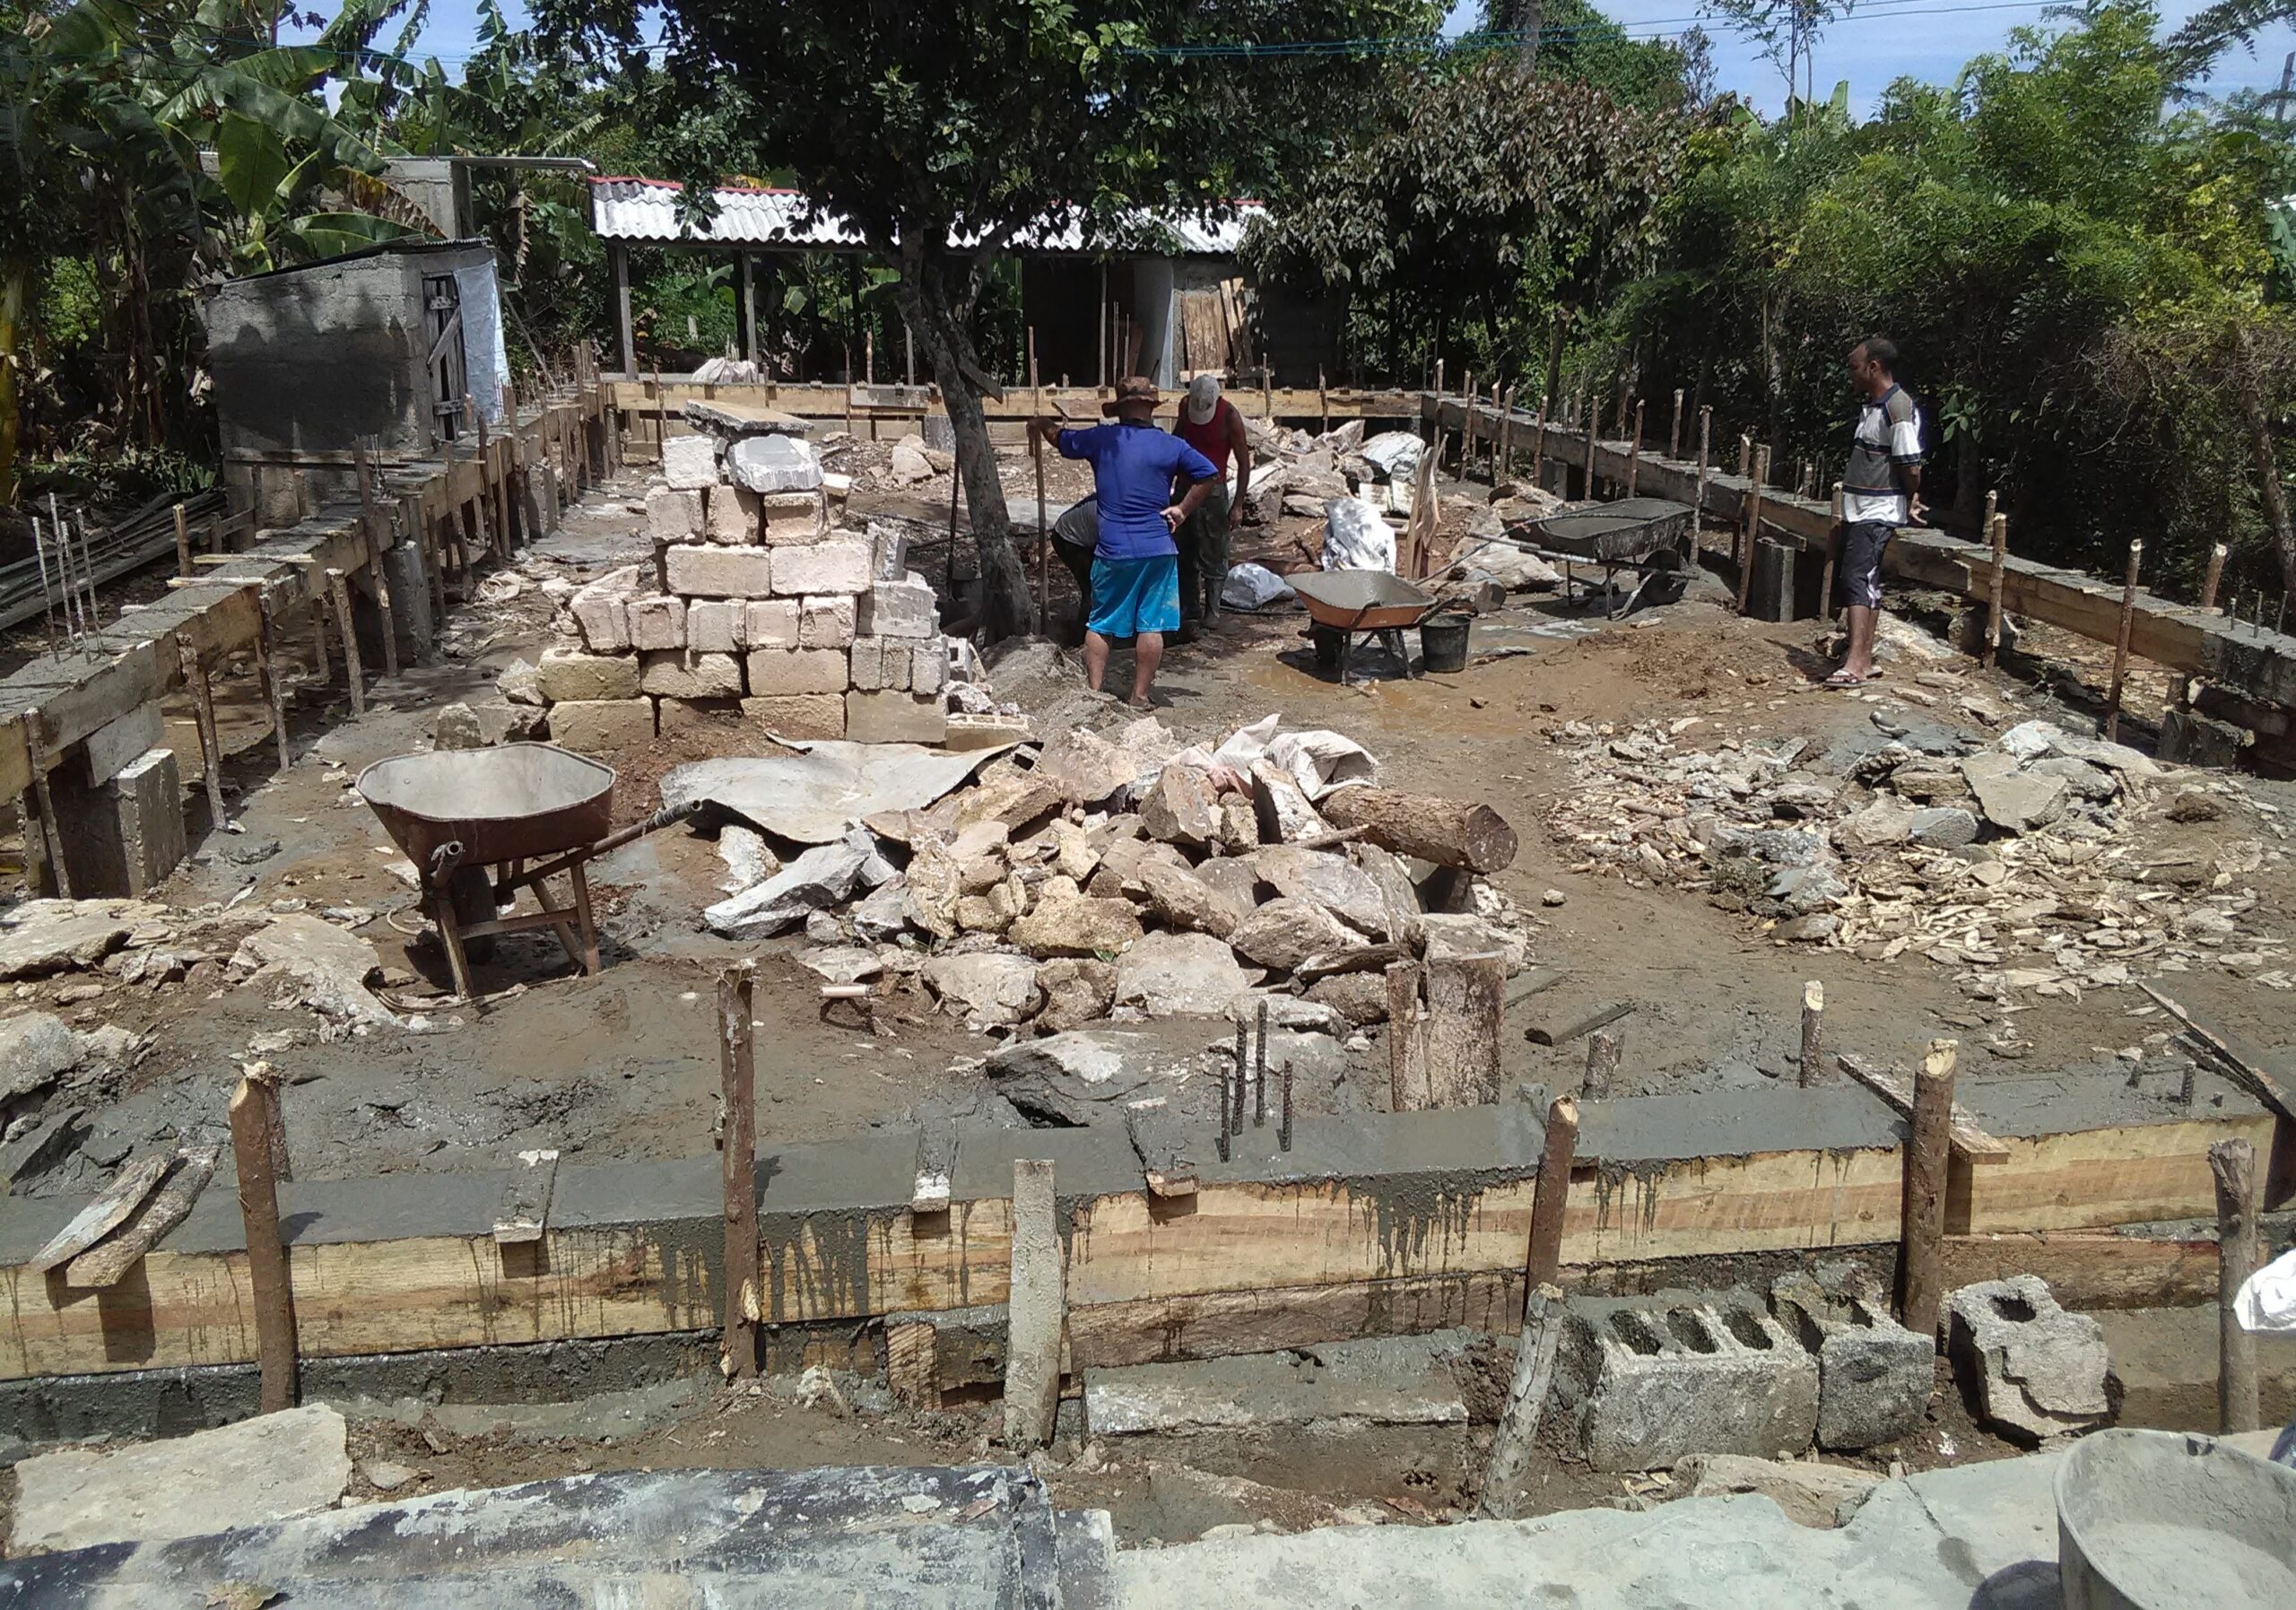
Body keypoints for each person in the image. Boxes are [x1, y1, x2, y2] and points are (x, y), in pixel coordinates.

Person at [1030, 377, 1217, 707]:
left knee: (1101, 624)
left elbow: (1061, 440)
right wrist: (1183, 510)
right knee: (1152, 626)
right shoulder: (1171, 445)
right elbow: (1209, 474)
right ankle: (1139, 696)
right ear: (1150, 408)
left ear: (1119, 409)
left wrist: (1042, 424)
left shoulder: (1104, 439)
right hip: (1159, 549)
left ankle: (1094, 692)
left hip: (1114, 550)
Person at [1829, 336, 1925, 687]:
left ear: (1874, 367)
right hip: (1862, 507)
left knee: (1857, 579)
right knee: (1862, 578)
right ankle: (1862, 659)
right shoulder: (1874, 406)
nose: (1851, 375)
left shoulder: (1896, 407)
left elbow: (1910, 463)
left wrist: (1909, 496)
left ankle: (1855, 664)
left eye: (1855, 367)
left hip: (1877, 508)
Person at [1170, 374, 1252, 639]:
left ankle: (1212, 609)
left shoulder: (1230, 417)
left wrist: (1238, 504)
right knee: (1184, 549)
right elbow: (1176, 442)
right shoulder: (1186, 406)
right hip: (1185, 487)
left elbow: (1243, 462)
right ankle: (1190, 608)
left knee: (1215, 549)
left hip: (1214, 491)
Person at [1048, 492, 1098, 645]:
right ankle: (1080, 638)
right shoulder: (1111, 510)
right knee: (1093, 589)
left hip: (1084, 533)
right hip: (1068, 538)